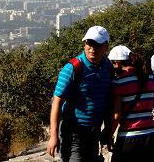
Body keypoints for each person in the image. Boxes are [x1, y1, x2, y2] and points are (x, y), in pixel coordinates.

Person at [47, 26, 112, 161]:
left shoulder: (108, 67)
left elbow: (108, 100)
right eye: (89, 43)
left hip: (94, 132)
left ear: (106, 46)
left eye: (97, 44)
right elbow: (57, 102)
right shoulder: (73, 68)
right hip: (73, 132)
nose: (92, 48)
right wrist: (53, 136)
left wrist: (108, 130)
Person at [109, 47, 154, 161]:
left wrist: (108, 136)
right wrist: (152, 130)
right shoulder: (151, 79)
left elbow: (117, 115)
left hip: (128, 138)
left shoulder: (118, 82)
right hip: (150, 138)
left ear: (117, 63)